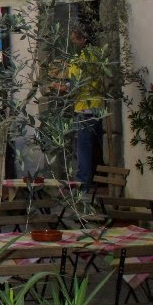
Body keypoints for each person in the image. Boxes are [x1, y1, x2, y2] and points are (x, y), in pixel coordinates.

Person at [68, 28, 105, 189]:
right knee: (102, 147)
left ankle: (83, 184)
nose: (72, 43)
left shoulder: (82, 59)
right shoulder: (98, 54)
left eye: (74, 40)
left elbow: (76, 84)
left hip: (85, 108)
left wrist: (62, 87)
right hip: (99, 106)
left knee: (83, 149)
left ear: (83, 40)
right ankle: (105, 179)